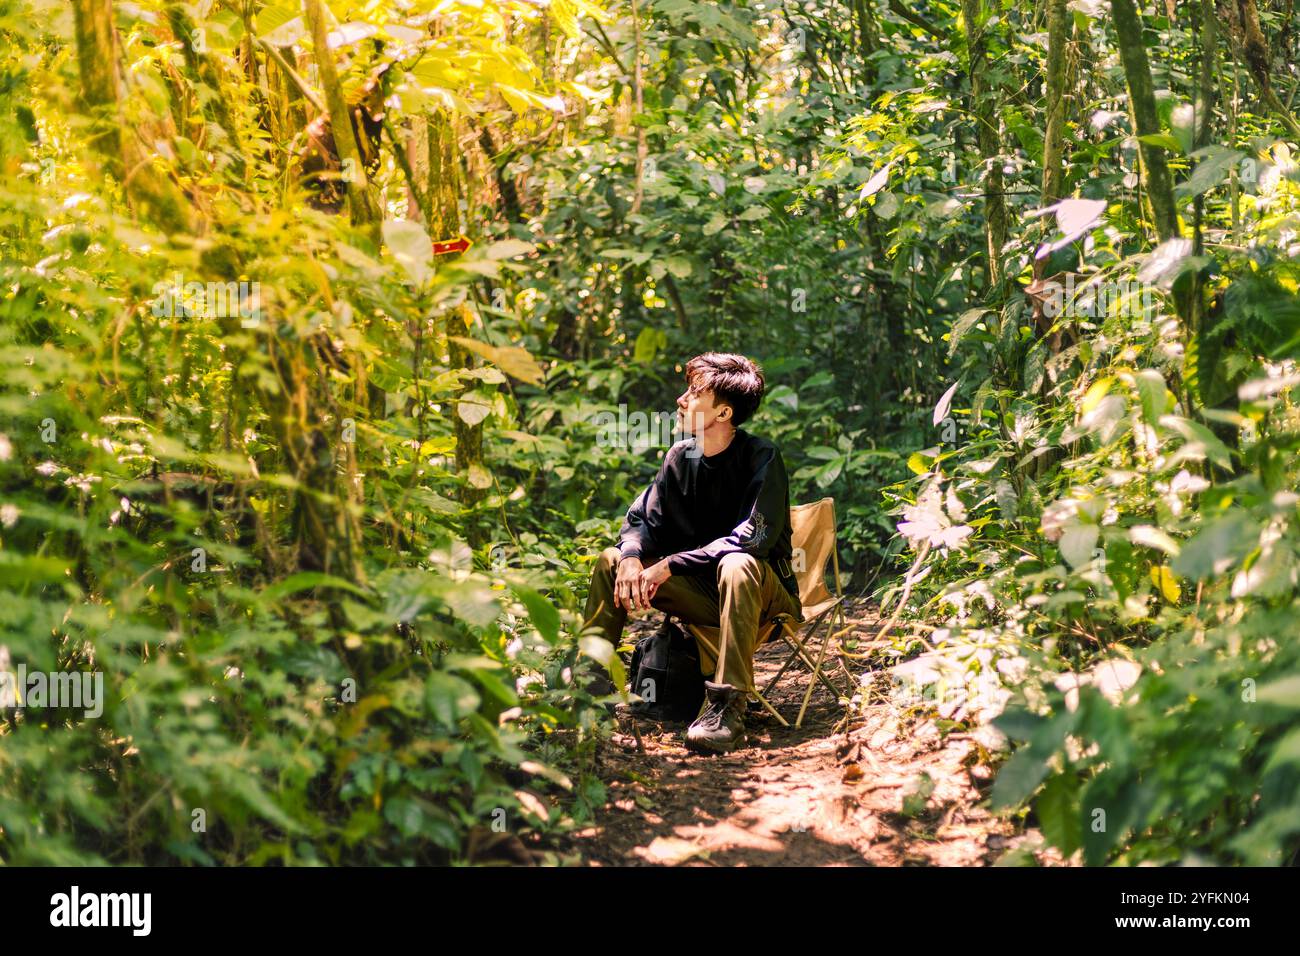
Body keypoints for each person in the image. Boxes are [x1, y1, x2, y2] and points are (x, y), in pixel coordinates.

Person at [582, 353, 802, 753]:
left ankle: (727, 710)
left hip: (763, 603)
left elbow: (750, 541)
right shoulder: (680, 458)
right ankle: (589, 689)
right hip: (703, 598)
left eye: (694, 392)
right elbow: (642, 520)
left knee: (737, 564)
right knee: (610, 560)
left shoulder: (762, 458)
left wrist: (670, 565)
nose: (682, 400)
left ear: (723, 411)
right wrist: (632, 556)